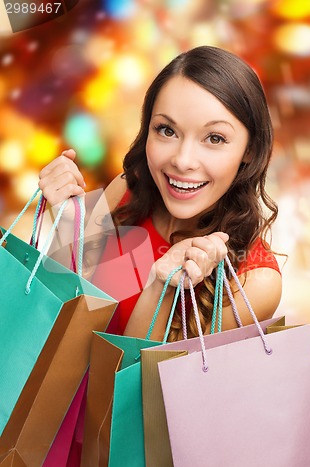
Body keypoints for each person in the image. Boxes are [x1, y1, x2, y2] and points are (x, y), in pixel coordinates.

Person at [38, 45, 282, 342]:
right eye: (167, 130)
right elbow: (63, 316)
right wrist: (65, 217)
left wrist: (161, 289)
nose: (182, 160)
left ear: (251, 150)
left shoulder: (254, 281)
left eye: (214, 138)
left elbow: (142, 384)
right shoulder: (127, 191)